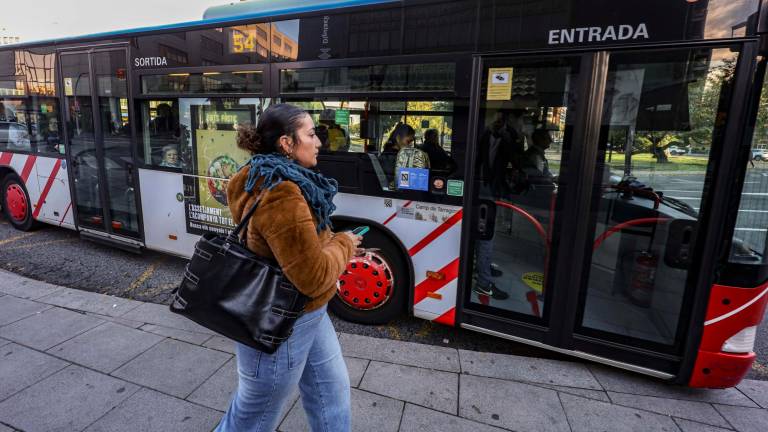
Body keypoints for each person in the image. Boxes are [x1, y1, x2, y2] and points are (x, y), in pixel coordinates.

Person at [216, 103, 361, 432]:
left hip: (308, 313)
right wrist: (345, 244)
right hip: (280, 319)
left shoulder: (262, 174)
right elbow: (311, 277)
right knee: (254, 413)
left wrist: (329, 243)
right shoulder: (283, 193)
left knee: (332, 394)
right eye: (310, 134)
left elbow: (296, 251)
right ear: (286, 143)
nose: (319, 142)